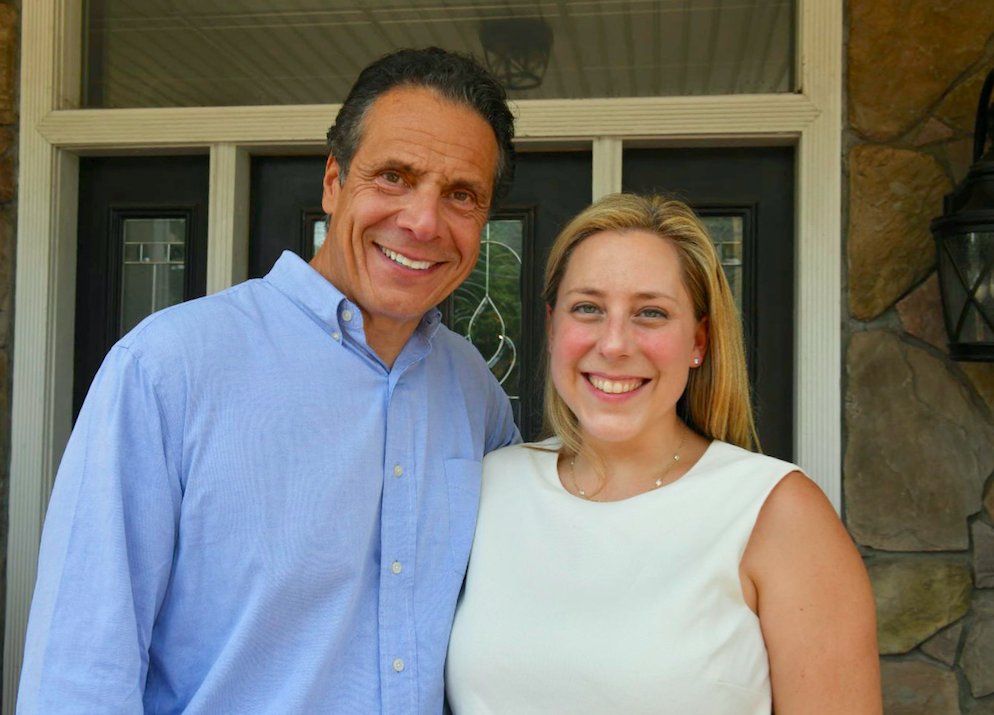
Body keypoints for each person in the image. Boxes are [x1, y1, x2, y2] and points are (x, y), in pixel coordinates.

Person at [18, 47, 519, 714]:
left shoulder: (474, 392)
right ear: (334, 182)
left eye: (461, 194)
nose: (423, 222)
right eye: (394, 176)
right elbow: (80, 673)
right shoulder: (168, 368)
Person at [446, 193, 882, 714]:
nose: (614, 344)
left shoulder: (777, 512)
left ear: (698, 341)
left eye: (650, 313)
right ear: (553, 325)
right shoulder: (490, 486)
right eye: (587, 308)